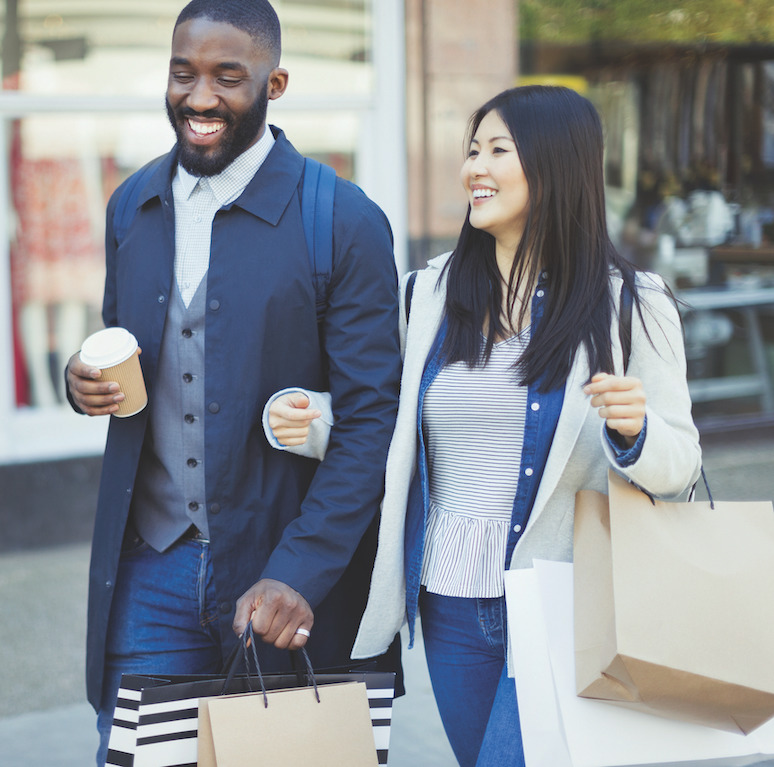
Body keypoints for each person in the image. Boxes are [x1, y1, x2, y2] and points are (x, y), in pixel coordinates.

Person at [265, 85, 702, 767]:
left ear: (557, 164)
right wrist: (309, 418)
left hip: (568, 604)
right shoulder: (429, 294)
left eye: (499, 150)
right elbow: (392, 424)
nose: (475, 168)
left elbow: (679, 465)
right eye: (472, 150)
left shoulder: (632, 305)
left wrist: (634, 429)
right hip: (450, 604)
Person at [64, 1, 402, 763]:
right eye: (183, 74)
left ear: (275, 83)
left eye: (228, 77)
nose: (201, 97)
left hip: (282, 567)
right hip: (151, 563)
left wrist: (301, 569)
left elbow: (373, 421)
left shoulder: (342, 219)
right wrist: (79, 380)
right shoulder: (132, 206)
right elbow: (127, 350)